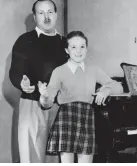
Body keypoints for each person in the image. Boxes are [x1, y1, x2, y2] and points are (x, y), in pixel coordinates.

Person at [38, 31, 123, 163]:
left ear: (86, 48)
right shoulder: (59, 71)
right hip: (66, 119)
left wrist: (106, 90)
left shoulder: (94, 69)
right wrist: (44, 96)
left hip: (87, 118)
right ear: (67, 50)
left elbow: (119, 86)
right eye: (73, 47)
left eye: (82, 47)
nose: (78, 51)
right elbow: (47, 103)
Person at [9, 0, 68, 163]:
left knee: (57, 157)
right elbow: (15, 72)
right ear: (34, 17)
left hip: (59, 107)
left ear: (56, 14)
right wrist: (22, 83)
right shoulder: (24, 40)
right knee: (32, 156)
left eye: (50, 12)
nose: (46, 17)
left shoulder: (66, 43)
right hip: (32, 104)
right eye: (41, 13)